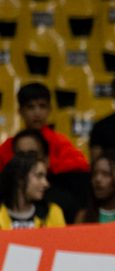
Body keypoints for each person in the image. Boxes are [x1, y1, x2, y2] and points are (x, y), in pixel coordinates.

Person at [0, 83, 91, 211]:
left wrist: (47, 166)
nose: (37, 113)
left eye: (42, 106)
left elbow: (81, 165)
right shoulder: (8, 146)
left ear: (49, 110)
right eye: (30, 107)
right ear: (20, 111)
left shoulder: (59, 141)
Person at [0, 151, 66, 229]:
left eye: (45, 177)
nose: (46, 184)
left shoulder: (53, 213)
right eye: (39, 176)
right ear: (20, 179)